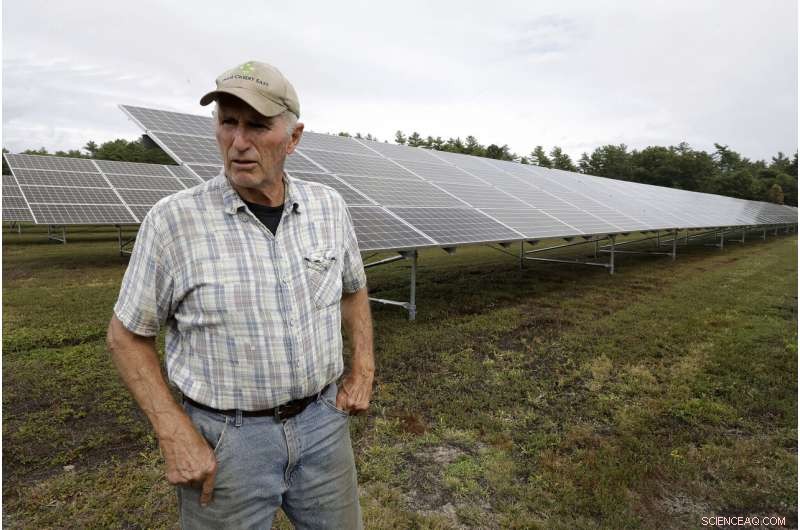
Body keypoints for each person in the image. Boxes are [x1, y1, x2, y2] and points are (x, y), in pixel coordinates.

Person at [106, 60, 374, 529]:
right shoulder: (173, 222)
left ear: (293, 138)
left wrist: (364, 369)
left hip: (323, 424)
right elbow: (126, 337)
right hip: (226, 441)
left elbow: (353, 289)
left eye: (257, 126)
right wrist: (173, 431)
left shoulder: (328, 208)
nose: (239, 141)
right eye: (228, 122)